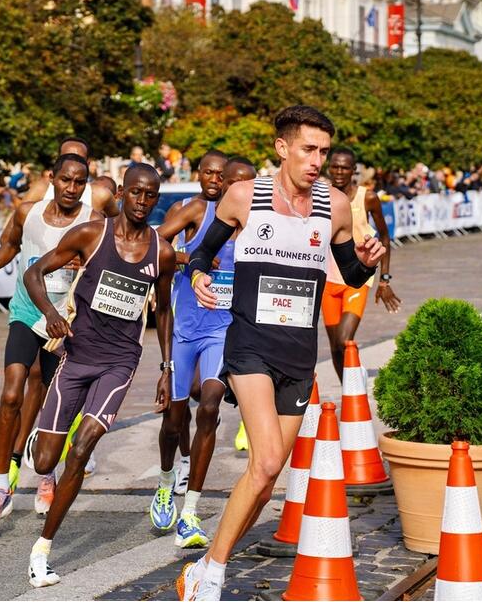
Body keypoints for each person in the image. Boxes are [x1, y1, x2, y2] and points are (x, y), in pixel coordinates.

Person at [178, 106, 385, 601]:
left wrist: (366, 262)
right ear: (282, 148)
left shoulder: (333, 207)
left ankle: (203, 567)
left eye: (324, 151)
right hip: (250, 346)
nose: (317, 160)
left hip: (299, 355)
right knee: (267, 460)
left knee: (266, 477)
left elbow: (348, 274)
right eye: (309, 149)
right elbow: (201, 252)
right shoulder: (245, 197)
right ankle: (214, 577)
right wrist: (200, 275)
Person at [23, 164, 176, 588]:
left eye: (151, 196)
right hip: (76, 356)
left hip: (119, 362)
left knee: (83, 446)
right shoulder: (92, 234)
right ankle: (43, 437)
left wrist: (166, 367)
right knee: (45, 461)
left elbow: (163, 310)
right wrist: (51, 314)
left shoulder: (161, 251)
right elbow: (33, 273)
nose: (143, 203)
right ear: (122, 193)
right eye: (137, 194)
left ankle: (43, 549)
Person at [0, 154, 99, 530]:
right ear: (52, 179)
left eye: (79, 182)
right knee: (11, 393)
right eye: (65, 180)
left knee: (51, 401)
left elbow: (105, 262)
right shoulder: (28, 212)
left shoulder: (93, 220)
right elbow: (10, 244)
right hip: (27, 313)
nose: (72, 188)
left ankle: (45, 474)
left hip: (66, 320)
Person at [150, 152, 256, 549]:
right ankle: (165, 483)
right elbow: (154, 241)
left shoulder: (253, 222)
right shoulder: (198, 209)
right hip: (185, 331)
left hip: (222, 331)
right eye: (233, 181)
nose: (237, 189)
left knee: (210, 404)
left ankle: (190, 513)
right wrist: (187, 259)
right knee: (175, 422)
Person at [321, 148, 401, 381]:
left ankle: (354, 384)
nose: (338, 171)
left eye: (344, 167)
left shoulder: (367, 197)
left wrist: (384, 279)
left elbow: (384, 237)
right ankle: (349, 390)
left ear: (353, 170)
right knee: (335, 347)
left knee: (344, 340)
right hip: (328, 279)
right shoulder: (320, 195)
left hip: (356, 278)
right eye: (334, 166)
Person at [26, 137, 120, 218]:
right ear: (58, 161)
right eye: (67, 158)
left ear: (87, 164)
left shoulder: (100, 195)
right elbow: (16, 223)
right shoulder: (40, 190)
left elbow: (121, 228)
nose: (72, 164)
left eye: (79, 159)